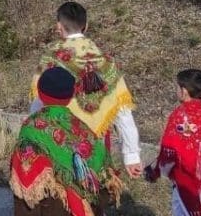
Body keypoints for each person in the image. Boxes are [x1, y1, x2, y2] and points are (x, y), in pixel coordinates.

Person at [33, 2, 142, 179]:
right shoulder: (105, 61)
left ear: (58, 26)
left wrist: (34, 138)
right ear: (86, 25)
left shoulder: (51, 59)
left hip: (57, 138)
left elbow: (39, 102)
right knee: (95, 190)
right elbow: (122, 111)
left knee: (62, 194)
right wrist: (131, 156)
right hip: (95, 143)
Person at [11, 66, 122, 216]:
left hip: (53, 208)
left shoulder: (32, 128)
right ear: (71, 96)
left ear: (39, 92)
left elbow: (27, 184)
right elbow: (102, 170)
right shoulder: (80, 128)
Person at [145, 69, 201, 216]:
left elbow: (170, 152)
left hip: (185, 184)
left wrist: (154, 172)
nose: (176, 90)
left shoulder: (179, 117)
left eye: (177, 87)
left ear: (184, 91)